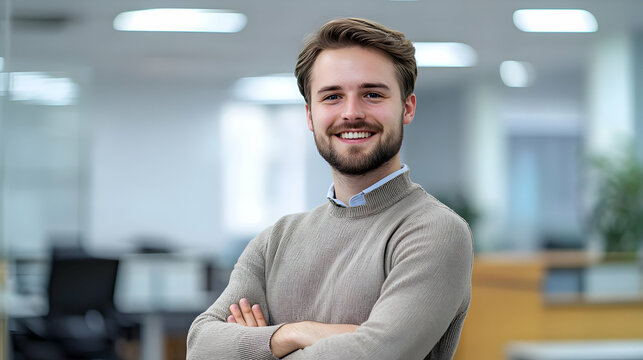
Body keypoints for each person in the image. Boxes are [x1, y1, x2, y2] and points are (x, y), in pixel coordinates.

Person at [187, 17, 473, 360]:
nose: (351, 113)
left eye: (372, 94)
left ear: (407, 107)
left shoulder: (434, 231)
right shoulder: (276, 241)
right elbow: (201, 346)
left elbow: (374, 355)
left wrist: (256, 347)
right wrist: (295, 333)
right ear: (310, 116)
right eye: (333, 96)